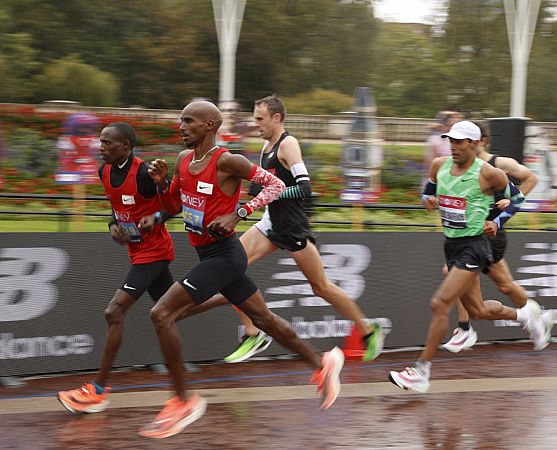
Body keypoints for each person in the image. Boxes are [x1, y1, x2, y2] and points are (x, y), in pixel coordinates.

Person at [140, 100, 343, 438]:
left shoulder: (228, 161)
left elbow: (277, 186)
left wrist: (240, 212)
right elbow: (175, 205)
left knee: (161, 314)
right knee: (264, 320)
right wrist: (162, 187)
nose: (181, 127)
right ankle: (323, 364)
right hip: (208, 256)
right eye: (180, 121)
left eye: (188, 121)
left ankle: (183, 400)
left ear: (209, 125)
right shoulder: (183, 160)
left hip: (225, 256)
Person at [180, 95, 384, 364]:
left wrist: (268, 196)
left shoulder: (288, 144)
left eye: (260, 119)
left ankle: (369, 329)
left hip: (291, 227)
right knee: (230, 267)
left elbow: (305, 188)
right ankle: (253, 334)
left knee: (320, 287)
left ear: (277, 118)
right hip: (269, 223)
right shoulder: (267, 147)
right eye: (254, 119)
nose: (256, 124)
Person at [388, 120, 549, 393]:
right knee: (478, 310)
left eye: (459, 142)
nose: (453, 147)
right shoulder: (439, 165)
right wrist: (428, 200)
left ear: (474, 144)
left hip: (475, 246)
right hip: (451, 245)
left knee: (440, 303)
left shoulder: (489, 173)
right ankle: (524, 316)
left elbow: (518, 198)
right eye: (450, 140)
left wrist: (498, 221)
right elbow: (427, 192)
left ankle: (421, 371)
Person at [57, 123, 175, 414]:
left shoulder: (146, 174)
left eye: (107, 143)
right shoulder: (104, 171)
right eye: (101, 142)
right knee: (178, 308)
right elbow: (116, 207)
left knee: (114, 312)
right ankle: (236, 297)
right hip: (137, 253)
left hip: (154, 253)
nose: (101, 147)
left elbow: (174, 205)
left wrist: (156, 218)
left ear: (126, 146)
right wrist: (113, 227)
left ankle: (96, 390)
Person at [443, 123, 546, 353]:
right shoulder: (460, 167)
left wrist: (511, 201)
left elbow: (531, 178)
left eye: (468, 141)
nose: (461, 146)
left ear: (481, 141)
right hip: (469, 233)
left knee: (454, 274)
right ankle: (531, 316)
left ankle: (465, 327)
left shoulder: (498, 164)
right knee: (505, 286)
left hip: (490, 232)